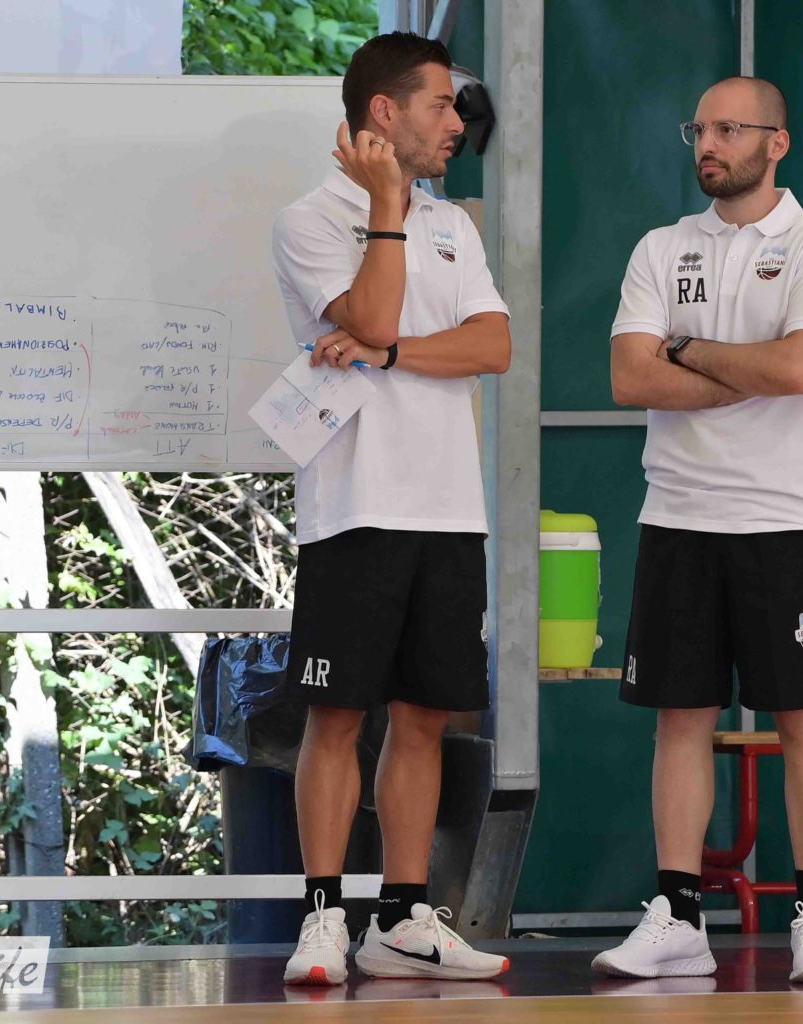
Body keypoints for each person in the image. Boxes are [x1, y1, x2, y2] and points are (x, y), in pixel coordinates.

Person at [592, 75, 803, 984]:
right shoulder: (662, 247)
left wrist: (688, 349)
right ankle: (677, 915)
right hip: (679, 515)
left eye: (729, 129)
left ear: (776, 143)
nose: (708, 145)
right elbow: (630, 379)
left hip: (789, 517)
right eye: (699, 130)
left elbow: (798, 369)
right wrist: (745, 369)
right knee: (681, 719)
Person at [271, 31, 511, 986]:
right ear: (384, 111)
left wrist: (397, 353)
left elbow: (491, 346)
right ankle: (324, 917)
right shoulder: (309, 219)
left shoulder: (454, 226)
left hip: (450, 509)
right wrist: (382, 210)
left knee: (423, 717)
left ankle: (404, 919)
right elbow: (367, 315)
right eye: (441, 105)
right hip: (354, 507)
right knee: (337, 716)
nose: (456, 123)